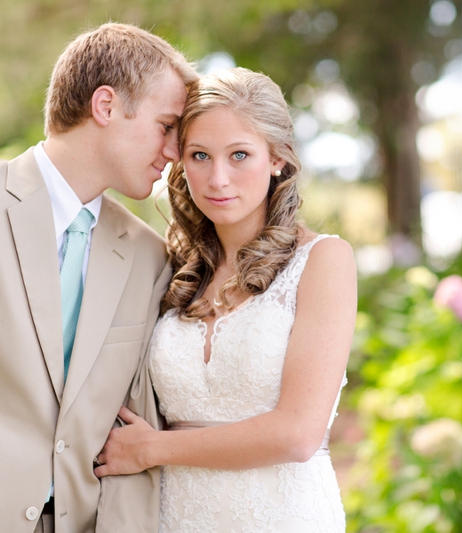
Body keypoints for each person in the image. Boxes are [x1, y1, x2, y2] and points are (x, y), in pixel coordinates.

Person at [0, 23, 197, 533]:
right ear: (105, 106)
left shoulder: (149, 257)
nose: (174, 151)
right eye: (165, 125)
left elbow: (129, 429)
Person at [93, 67, 357, 532]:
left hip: (285, 516)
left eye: (240, 155)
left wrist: (152, 449)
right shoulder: (169, 267)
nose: (218, 178)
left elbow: (297, 434)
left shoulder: (323, 261)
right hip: (176, 517)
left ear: (276, 158)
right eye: (199, 155)